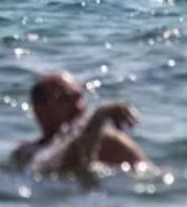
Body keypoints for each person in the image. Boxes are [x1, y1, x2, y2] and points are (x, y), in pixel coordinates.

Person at [12, 72, 147, 174]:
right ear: (39, 109)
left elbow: (150, 174)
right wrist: (97, 119)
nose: (78, 106)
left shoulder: (109, 142)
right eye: (65, 98)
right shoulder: (26, 152)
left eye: (79, 97)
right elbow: (63, 165)